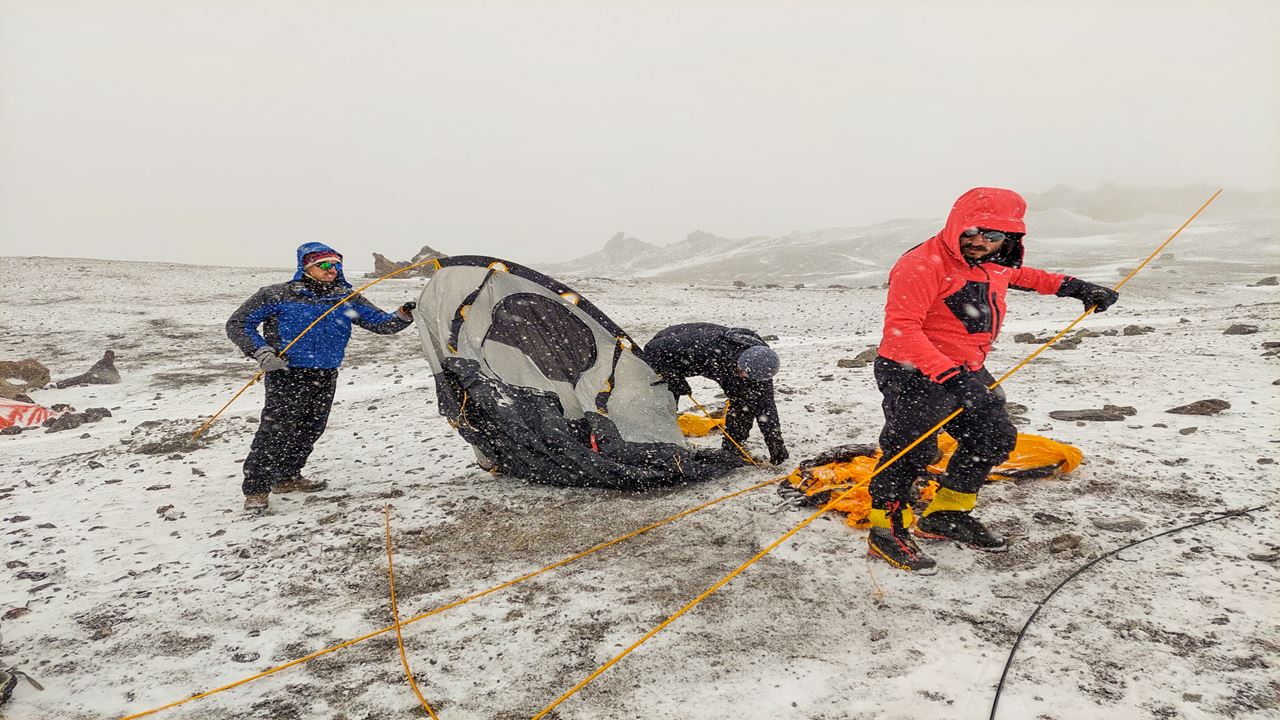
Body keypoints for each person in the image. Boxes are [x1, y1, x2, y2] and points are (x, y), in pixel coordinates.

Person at [867, 187, 1119, 573]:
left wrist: (1078, 288)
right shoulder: (922, 264)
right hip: (912, 370)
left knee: (993, 437)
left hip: (966, 368)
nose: (979, 242)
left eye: (992, 235)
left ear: (1009, 238)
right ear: (956, 226)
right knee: (910, 451)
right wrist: (951, 378)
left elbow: (1030, 277)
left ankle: (945, 515)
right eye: (972, 232)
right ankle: (886, 532)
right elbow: (901, 330)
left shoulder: (995, 261)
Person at [226, 242, 417, 511]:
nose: (333, 269)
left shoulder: (346, 298)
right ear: (307, 266)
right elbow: (238, 323)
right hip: (286, 373)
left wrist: (403, 314)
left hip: (326, 372)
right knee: (276, 430)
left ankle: (287, 477)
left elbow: (381, 324)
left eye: (337, 264)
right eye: (325, 265)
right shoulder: (277, 295)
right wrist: (262, 352)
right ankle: (257, 490)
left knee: (310, 428)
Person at [643, 322, 789, 466]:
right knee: (666, 397)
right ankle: (658, 445)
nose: (743, 376)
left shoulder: (762, 366)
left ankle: (733, 447)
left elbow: (765, 405)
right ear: (740, 361)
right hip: (670, 354)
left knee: (745, 401)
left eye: (747, 376)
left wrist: (775, 441)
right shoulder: (708, 345)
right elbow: (651, 350)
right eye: (742, 371)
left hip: (718, 365)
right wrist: (673, 377)